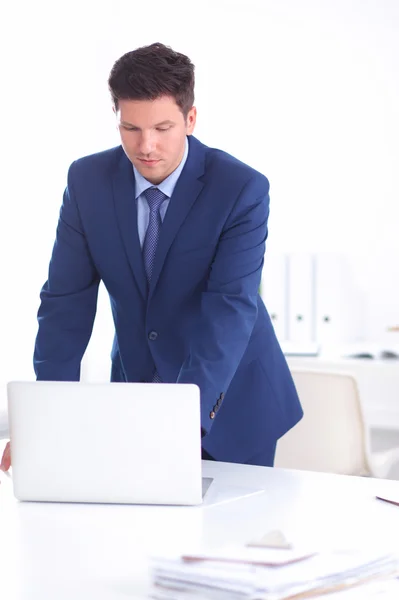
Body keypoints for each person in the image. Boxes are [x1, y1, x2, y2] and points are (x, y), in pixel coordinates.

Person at [1, 42, 302, 473]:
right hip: (136, 392)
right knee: (139, 534)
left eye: (163, 128)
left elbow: (230, 307)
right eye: (131, 128)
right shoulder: (87, 182)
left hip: (232, 400)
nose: (146, 146)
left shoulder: (240, 189)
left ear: (190, 119)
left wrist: (181, 424)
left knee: (229, 535)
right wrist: (44, 419)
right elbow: (65, 302)